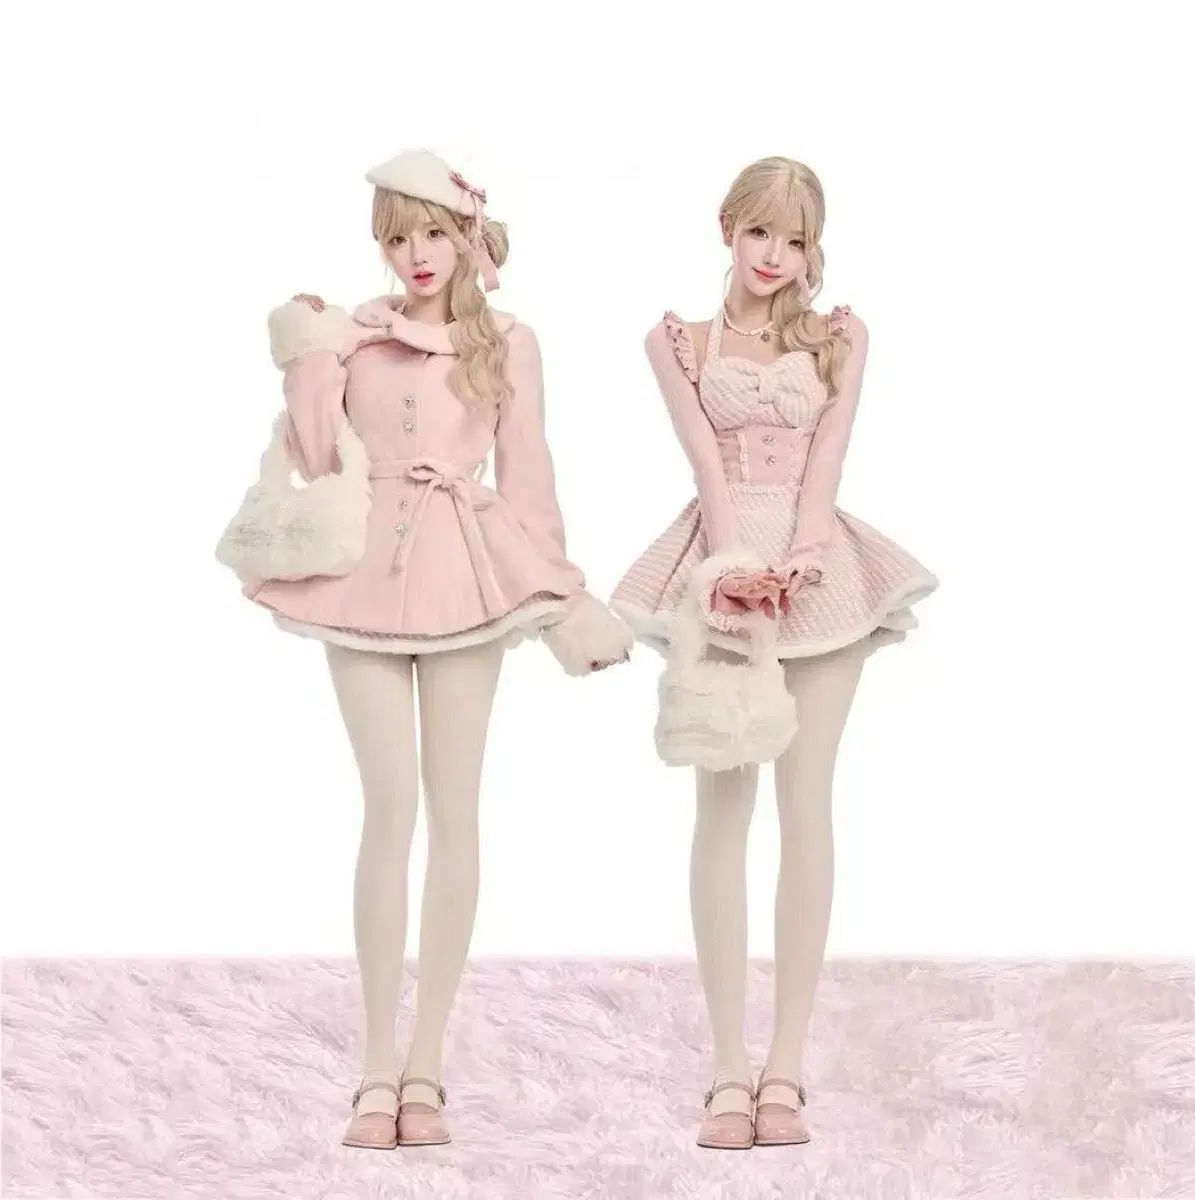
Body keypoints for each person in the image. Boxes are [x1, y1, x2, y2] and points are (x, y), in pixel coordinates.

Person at [242, 149, 631, 1149]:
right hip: (362, 577)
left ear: (465, 236)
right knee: (389, 807)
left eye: (431, 233)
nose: (415, 254)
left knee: (455, 808)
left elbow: (529, 471)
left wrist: (556, 587)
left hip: (466, 571)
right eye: (396, 237)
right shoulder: (355, 338)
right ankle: (376, 1066)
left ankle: (427, 1066)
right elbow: (316, 457)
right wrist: (309, 353)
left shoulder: (510, 341)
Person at [610, 155, 938, 1149]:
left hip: (818, 569)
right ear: (728, 228)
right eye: (761, 232)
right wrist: (730, 570)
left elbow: (828, 458)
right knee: (721, 809)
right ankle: (725, 1068)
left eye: (796, 240)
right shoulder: (678, 342)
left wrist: (802, 557)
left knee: (807, 808)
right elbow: (706, 469)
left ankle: (785, 1067)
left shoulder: (841, 338)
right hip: (722, 571)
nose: (776, 255)